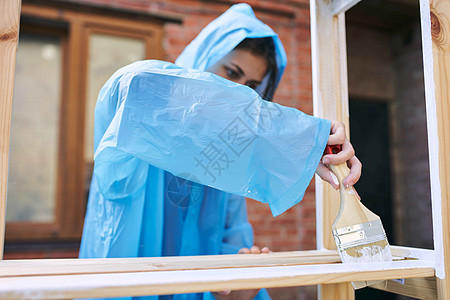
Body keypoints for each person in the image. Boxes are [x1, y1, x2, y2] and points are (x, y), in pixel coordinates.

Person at [79, 3, 361, 300]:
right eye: (231, 72)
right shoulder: (139, 111)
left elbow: (229, 260)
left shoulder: (224, 165)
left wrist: (241, 290)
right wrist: (303, 137)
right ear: (201, 61)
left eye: (252, 86)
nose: (240, 92)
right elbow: (130, 81)